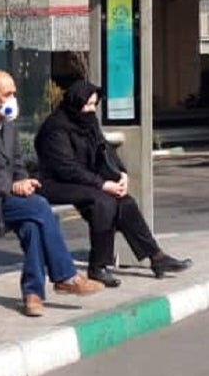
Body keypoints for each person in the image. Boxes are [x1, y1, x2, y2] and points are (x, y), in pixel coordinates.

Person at [0, 69, 104, 317]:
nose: (12, 99)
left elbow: (17, 164)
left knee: (32, 224)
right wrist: (9, 186)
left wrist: (23, 181)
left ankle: (33, 295)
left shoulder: (8, 126)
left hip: (6, 198)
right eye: (7, 94)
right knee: (39, 207)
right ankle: (65, 276)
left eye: (14, 94)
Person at [34, 80, 191, 286]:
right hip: (54, 182)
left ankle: (156, 257)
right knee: (103, 202)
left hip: (83, 180)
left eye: (94, 105)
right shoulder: (55, 128)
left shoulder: (88, 122)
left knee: (124, 202)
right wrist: (101, 184)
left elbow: (104, 148)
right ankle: (97, 266)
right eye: (87, 104)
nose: (91, 109)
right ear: (75, 102)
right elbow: (65, 167)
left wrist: (120, 173)